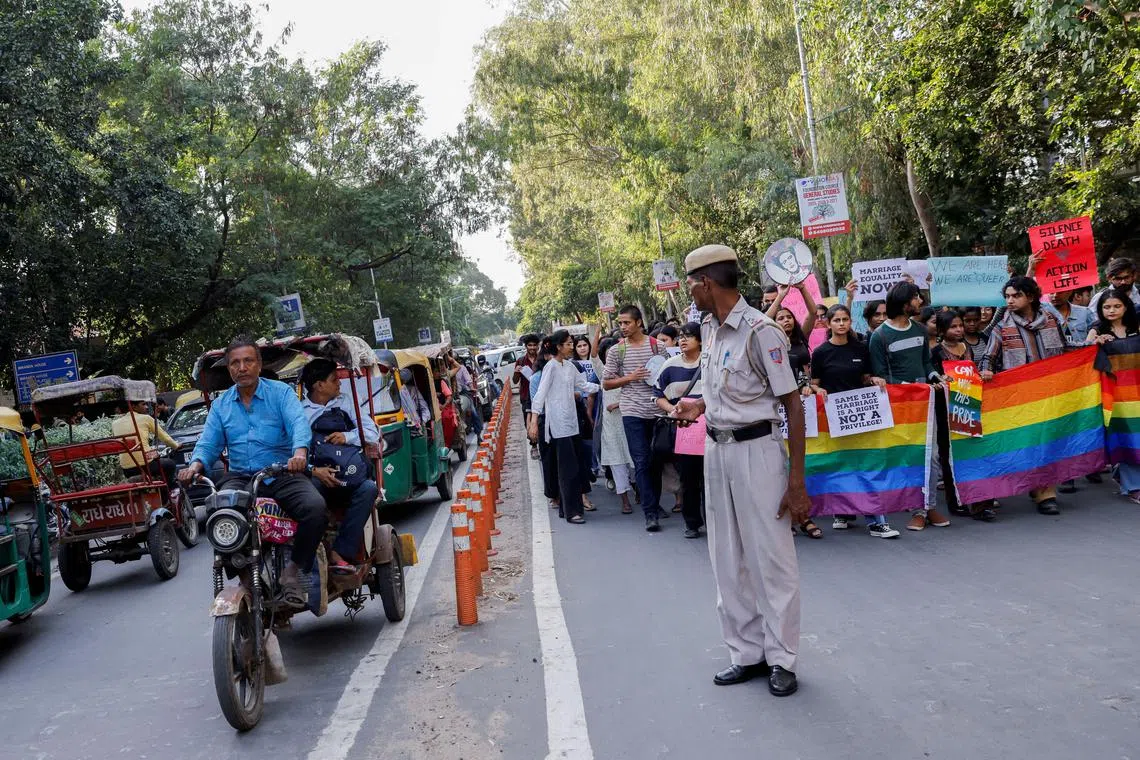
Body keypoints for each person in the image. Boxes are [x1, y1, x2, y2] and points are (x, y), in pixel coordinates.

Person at [671, 244, 808, 697]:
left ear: (706, 283)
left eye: (692, 283)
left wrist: (796, 481)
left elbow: (791, 401)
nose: (690, 292)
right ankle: (746, 653)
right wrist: (698, 404)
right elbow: (725, 394)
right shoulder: (710, 330)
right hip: (718, 452)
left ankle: (782, 659)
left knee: (771, 559)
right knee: (726, 557)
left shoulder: (760, 330)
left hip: (759, 453)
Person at [179, 336, 327, 607]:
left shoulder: (280, 393)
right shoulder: (222, 404)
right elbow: (209, 441)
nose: (242, 367)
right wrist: (195, 465)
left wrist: (299, 453)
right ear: (229, 369)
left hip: (281, 472)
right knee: (218, 512)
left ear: (258, 365)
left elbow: (297, 423)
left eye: (248, 361)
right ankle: (246, 576)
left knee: (315, 508)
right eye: (235, 363)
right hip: (241, 477)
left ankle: (293, 572)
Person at [979, 276, 1069, 515]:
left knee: (1046, 439)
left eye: (1015, 295)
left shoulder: (1050, 320)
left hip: (1049, 391)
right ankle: (1030, 484)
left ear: (1030, 297)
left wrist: (1094, 345)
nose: (1010, 300)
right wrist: (986, 370)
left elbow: (1066, 349)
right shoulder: (1001, 327)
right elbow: (988, 356)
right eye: (1007, 296)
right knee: (1025, 441)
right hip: (1018, 396)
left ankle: (1046, 493)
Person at [869, 281, 951, 532]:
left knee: (933, 454)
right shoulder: (879, 336)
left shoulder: (920, 330)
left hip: (925, 402)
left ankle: (927, 508)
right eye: (916, 298)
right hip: (899, 406)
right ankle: (915, 507)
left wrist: (936, 378)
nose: (920, 302)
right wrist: (908, 387)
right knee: (909, 456)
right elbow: (881, 375)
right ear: (905, 303)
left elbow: (926, 364)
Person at [809, 306, 898, 538]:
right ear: (828, 324)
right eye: (836, 320)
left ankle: (877, 522)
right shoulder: (820, 353)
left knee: (865, 468)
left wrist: (874, 380)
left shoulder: (861, 348)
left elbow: (865, 377)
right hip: (832, 420)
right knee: (840, 467)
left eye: (845, 319)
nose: (841, 324)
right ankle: (842, 512)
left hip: (861, 418)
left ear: (850, 322)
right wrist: (818, 390)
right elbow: (813, 383)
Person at [301, 359, 380, 574]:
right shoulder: (301, 413)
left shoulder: (347, 403)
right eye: (334, 380)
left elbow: (373, 434)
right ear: (319, 385)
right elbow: (296, 451)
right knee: (308, 495)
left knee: (369, 489)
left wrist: (348, 437)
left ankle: (341, 551)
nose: (339, 384)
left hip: (350, 476)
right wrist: (315, 471)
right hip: (318, 479)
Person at [602, 305, 671, 532]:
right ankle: (650, 513)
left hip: (657, 411)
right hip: (631, 411)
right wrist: (629, 378)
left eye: (626, 323)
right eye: (620, 323)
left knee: (655, 461)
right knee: (641, 461)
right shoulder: (616, 351)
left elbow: (666, 374)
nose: (622, 327)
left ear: (639, 322)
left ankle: (654, 502)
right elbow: (607, 382)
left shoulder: (657, 346)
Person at [528, 330, 600, 524]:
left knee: (575, 468)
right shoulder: (551, 367)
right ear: (559, 346)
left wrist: (605, 385)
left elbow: (584, 385)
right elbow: (540, 396)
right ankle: (572, 512)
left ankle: (567, 509)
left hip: (572, 424)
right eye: (568, 343)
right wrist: (534, 421)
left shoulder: (569, 366)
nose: (571, 346)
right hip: (558, 426)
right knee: (567, 469)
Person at [653, 321, 705, 538]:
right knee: (689, 478)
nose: (683, 340)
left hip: (712, 428)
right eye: (681, 336)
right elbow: (657, 396)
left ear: (701, 340)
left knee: (713, 478)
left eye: (689, 336)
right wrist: (673, 409)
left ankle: (718, 520)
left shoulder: (710, 362)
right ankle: (692, 523)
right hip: (685, 429)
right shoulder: (670, 365)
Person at [113, 399, 179, 490]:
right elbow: (164, 437)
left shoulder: (115, 424)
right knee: (170, 464)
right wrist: (176, 446)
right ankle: (166, 493)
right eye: (143, 404)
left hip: (127, 469)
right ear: (133, 406)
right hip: (145, 465)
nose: (147, 407)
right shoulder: (146, 418)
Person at [766, 282, 817, 392]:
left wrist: (802, 288)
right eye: (781, 318)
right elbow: (763, 322)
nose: (786, 320)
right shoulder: (769, 342)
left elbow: (813, 313)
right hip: (781, 393)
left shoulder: (801, 337)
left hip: (805, 391)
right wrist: (781, 295)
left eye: (789, 317)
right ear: (773, 323)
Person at [571, 335, 600, 509]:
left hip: (597, 403)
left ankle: (595, 466)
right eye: (578, 345)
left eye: (585, 345)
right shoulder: (572, 366)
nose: (582, 348)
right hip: (581, 408)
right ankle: (591, 468)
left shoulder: (596, 363)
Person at [514, 334, 541, 459]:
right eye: (530, 345)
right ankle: (534, 445)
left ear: (538, 346)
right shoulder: (520, 361)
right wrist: (516, 372)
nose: (532, 347)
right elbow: (515, 381)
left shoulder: (542, 359)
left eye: (534, 345)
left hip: (540, 395)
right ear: (526, 347)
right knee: (528, 421)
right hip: (526, 396)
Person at [448, 352, 483, 440]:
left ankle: (478, 435)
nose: (453, 363)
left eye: (454, 361)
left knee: (474, 413)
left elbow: (468, 381)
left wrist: (471, 387)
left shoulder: (462, 368)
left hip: (462, 393)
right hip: (448, 396)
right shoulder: (445, 371)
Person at [399, 368, 432, 432]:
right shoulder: (398, 391)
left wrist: (422, 421)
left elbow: (425, 408)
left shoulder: (414, 390)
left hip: (417, 423)